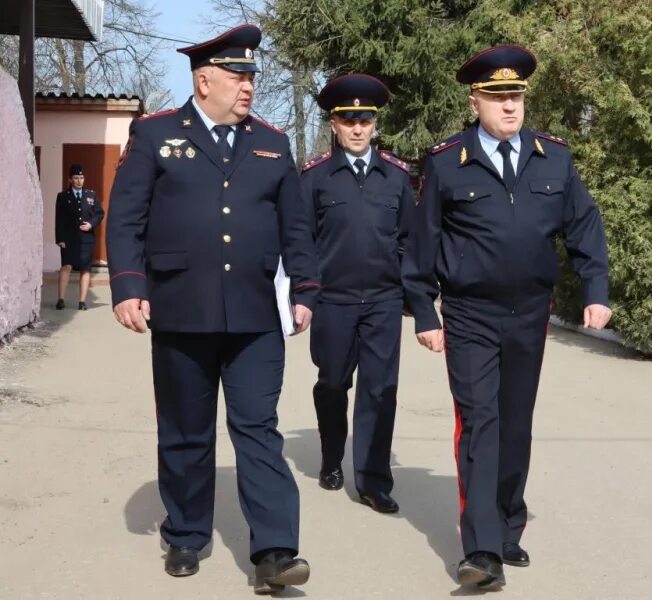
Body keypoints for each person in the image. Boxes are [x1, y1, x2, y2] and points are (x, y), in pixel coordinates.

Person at [106, 24, 320, 595]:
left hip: (255, 315)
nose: (248, 85)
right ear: (204, 80)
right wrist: (128, 285)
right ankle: (185, 531)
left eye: (251, 75)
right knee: (185, 429)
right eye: (236, 75)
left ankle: (275, 550)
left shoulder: (272, 142)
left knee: (257, 428)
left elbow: (295, 227)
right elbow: (125, 218)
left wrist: (304, 291)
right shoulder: (154, 135)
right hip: (180, 308)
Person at [402, 45, 612, 590]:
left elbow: (584, 227)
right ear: (475, 101)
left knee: (516, 423)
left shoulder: (554, 159)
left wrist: (595, 289)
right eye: (497, 97)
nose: (510, 106)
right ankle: (482, 547)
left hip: (529, 314)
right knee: (480, 423)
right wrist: (425, 310)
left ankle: (508, 526)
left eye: (516, 95)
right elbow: (422, 244)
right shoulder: (448, 162)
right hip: (470, 313)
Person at [300, 74, 414, 513]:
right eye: (349, 119)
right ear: (334, 124)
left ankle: (372, 481)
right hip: (333, 301)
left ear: (375, 124)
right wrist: (305, 294)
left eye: (365, 119)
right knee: (332, 382)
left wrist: (405, 287)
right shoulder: (314, 178)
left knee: (380, 390)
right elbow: (301, 240)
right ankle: (332, 455)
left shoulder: (396, 178)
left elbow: (409, 237)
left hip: (383, 302)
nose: (358, 128)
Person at [54, 164, 104, 310]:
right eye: (76, 178)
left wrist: (91, 224)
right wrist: (60, 238)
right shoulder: (63, 196)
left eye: (81, 178)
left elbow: (100, 213)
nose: (79, 181)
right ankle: (61, 299)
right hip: (69, 238)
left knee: (85, 269)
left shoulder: (91, 195)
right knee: (66, 267)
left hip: (86, 238)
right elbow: (59, 218)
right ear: (70, 179)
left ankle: (82, 302)